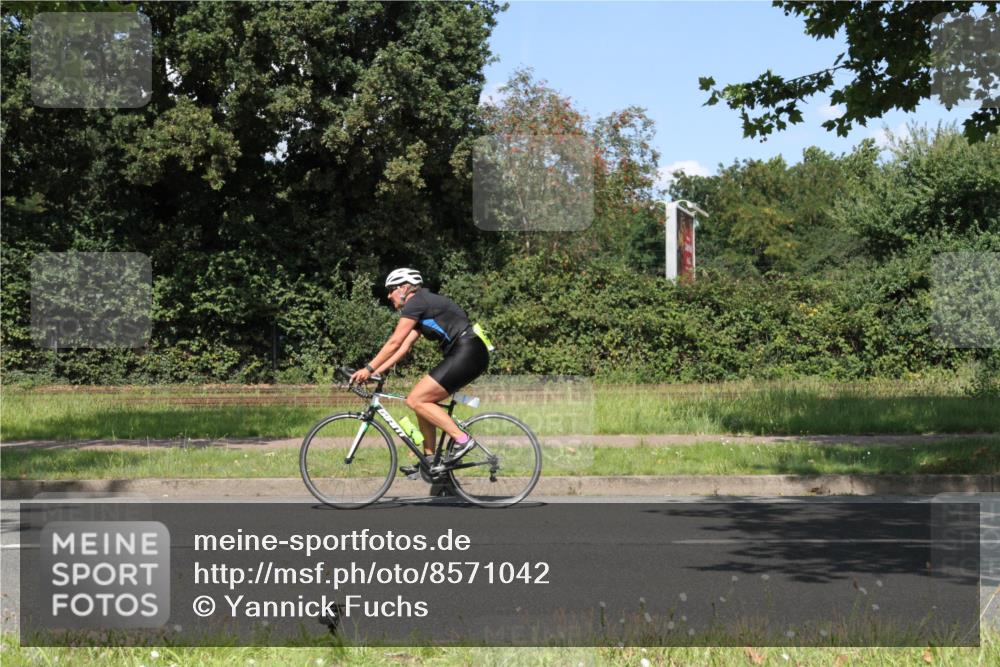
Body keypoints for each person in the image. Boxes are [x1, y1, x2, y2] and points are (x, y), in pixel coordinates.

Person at [349, 268, 489, 475]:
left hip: (467, 351)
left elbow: (394, 342)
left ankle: (463, 440)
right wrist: (378, 371)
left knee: (416, 399)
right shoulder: (422, 306)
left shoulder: (417, 303)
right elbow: (404, 347)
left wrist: (368, 369)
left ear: (405, 288)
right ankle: (430, 461)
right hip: (466, 353)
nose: (388, 295)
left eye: (391, 290)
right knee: (421, 401)